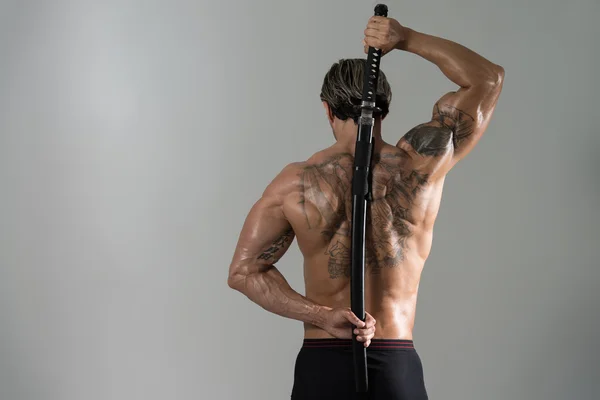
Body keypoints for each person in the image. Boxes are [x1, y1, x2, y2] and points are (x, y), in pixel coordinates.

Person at [227, 15, 504, 400]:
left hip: (323, 363)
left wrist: (322, 316)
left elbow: (243, 273)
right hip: (395, 363)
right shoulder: (422, 164)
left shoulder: (294, 183)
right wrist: (405, 38)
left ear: (327, 109)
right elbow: (487, 79)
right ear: (384, 109)